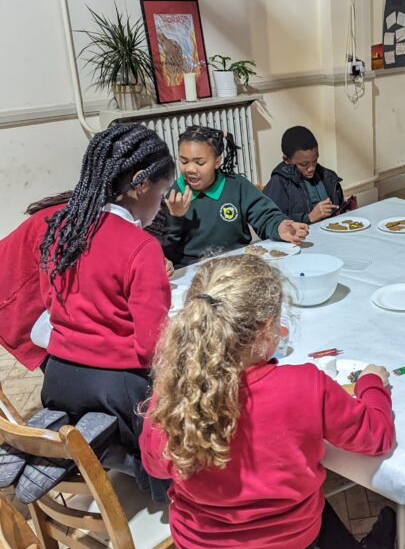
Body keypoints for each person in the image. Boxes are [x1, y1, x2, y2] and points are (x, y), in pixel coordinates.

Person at [140, 254, 397, 549]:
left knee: (292, 490)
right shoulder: (304, 386)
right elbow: (377, 437)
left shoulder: (175, 393)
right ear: (267, 330)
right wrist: (372, 383)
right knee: (303, 490)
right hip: (285, 548)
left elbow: (156, 466)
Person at [38, 124, 176, 498]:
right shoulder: (140, 247)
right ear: (141, 185)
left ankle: (72, 442)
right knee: (178, 417)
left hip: (59, 377)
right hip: (118, 389)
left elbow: (50, 302)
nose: (161, 206)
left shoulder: (63, 228)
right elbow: (152, 345)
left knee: (97, 418)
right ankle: (143, 470)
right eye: (162, 194)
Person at [164, 125, 308, 267]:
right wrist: (176, 218)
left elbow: (264, 215)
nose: (190, 169)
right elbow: (165, 249)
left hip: (238, 262)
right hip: (194, 268)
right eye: (184, 161)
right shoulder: (174, 194)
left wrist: (279, 226)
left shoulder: (236, 185)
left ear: (217, 162)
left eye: (199, 162)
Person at [0, 193, 71, 371]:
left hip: (31, 289)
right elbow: (58, 317)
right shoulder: (65, 225)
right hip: (14, 293)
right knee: (65, 366)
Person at [263, 126, 348, 224]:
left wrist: (344, 206)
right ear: (287, 160)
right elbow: (269, 222)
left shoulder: (328, 177)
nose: (311, 168)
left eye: (315, 161)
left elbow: (337, 209)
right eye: (304, 164)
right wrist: (308, 218)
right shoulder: (279, 182)